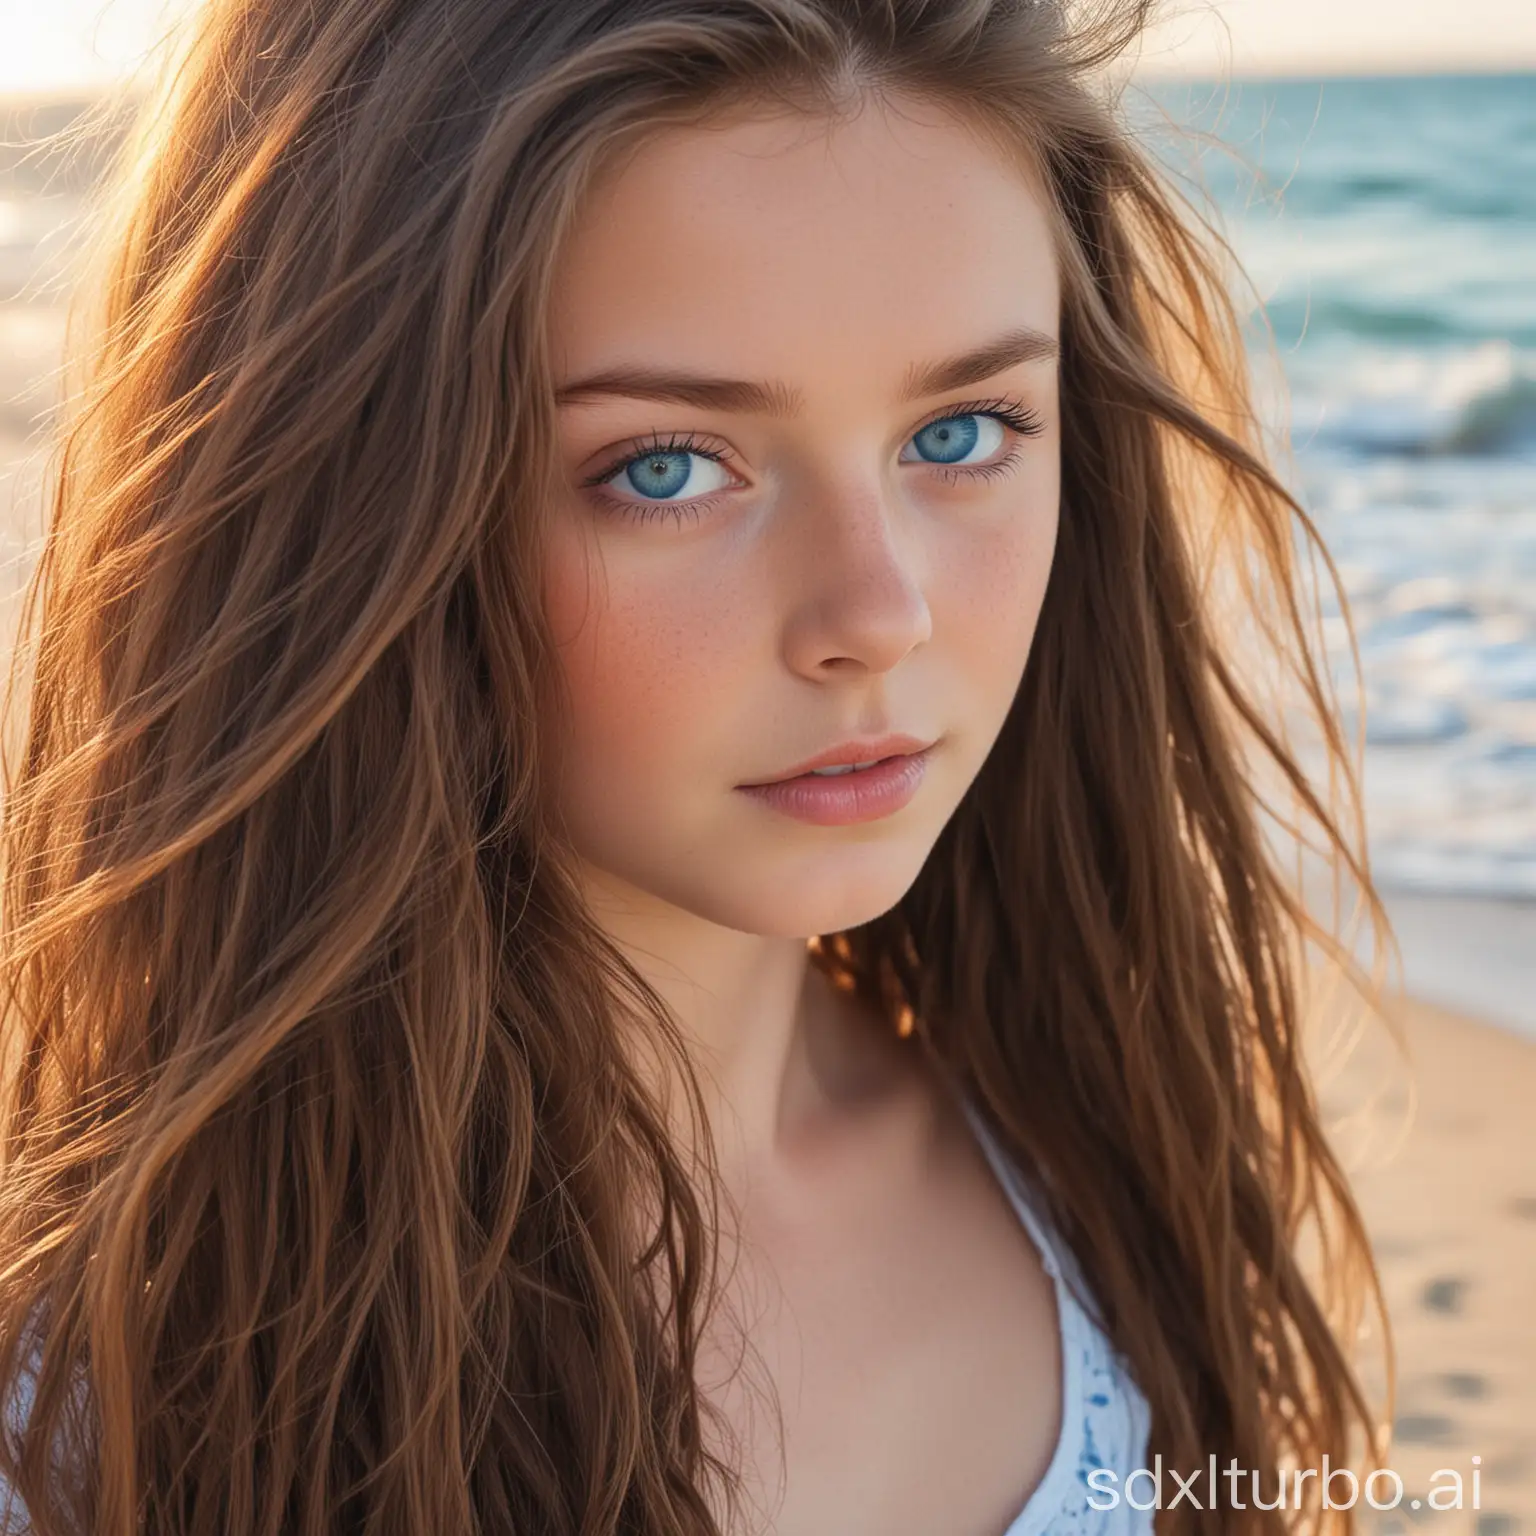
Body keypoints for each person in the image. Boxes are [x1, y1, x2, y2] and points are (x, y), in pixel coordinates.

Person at [0, 0, 1398, 1531]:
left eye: (965, 431)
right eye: (663, 467)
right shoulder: (109, 1417)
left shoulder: (1103, 1149)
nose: (880, 613)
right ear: (344, 522)